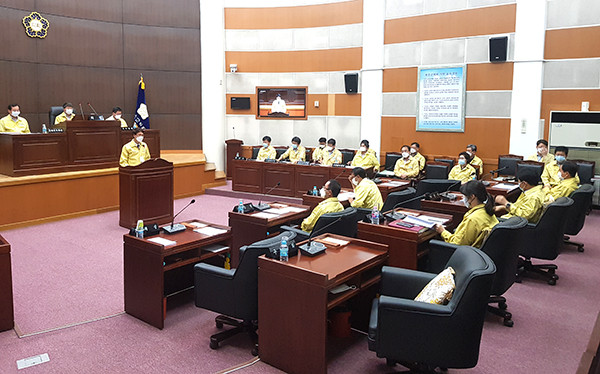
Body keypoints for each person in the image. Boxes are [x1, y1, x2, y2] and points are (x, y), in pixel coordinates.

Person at [434, 180, 498, 248]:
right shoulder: (487, 210)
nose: (463, 198)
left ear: (472, 197)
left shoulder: (472, 219)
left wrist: (442, 231)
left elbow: (456, 244)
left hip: (465, 253)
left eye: (464, 196)